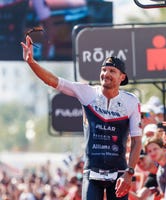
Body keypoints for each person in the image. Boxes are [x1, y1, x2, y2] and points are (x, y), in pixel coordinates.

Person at [21, 36, 142, 200]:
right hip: (91, 172)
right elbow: (53, 81)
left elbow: (136, 141)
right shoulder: (88, 92)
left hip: (119, 173)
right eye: (104, 70)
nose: (106, 74)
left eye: (112, 71)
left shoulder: (131, 102)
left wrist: (129, 173)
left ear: (122, 77)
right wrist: (31, 62)